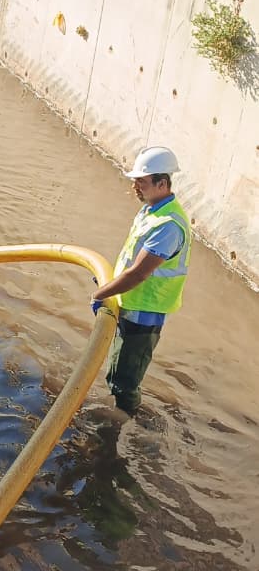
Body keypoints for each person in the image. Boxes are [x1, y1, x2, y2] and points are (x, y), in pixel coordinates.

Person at [91, 146, 191, 415]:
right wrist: (111, 283)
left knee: (124, 381)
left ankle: (126, 424)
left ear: (162, 183)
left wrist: (100, 294)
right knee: (118, 371)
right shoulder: (151, 210)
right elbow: (131, 259)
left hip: (144, 314)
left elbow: (138, 273)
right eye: (135, 181)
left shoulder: (168, 224)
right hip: (130, 302)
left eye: (142, 182)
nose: (135, 187)